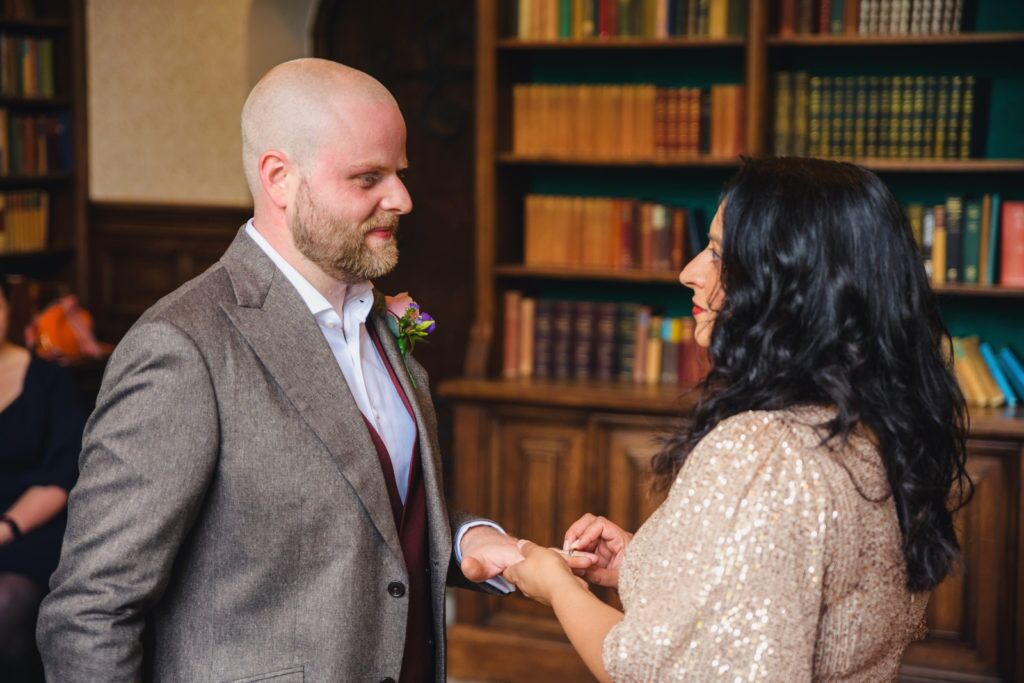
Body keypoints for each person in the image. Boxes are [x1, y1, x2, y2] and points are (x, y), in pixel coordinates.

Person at [37, 59, 531, 682]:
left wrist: (471, 543)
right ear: (280, 178)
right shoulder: (183, 346)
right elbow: (91, 609)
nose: (402, 199)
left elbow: (373, 517)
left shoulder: (380, 318)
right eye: (368, 177)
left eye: (399, 174)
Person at [503, 157, 971, 681]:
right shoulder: (878, 429)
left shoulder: (762, 450)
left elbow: (650, 670)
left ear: (786, 282)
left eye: (718, 253)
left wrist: (556, 585)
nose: (689, 272)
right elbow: (789, 589)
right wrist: (641, 563)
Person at [0, 280, 84, 682]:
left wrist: (5, 528)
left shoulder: (50, 381)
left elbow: (61, 475)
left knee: (7, 600)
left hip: (33, 527)